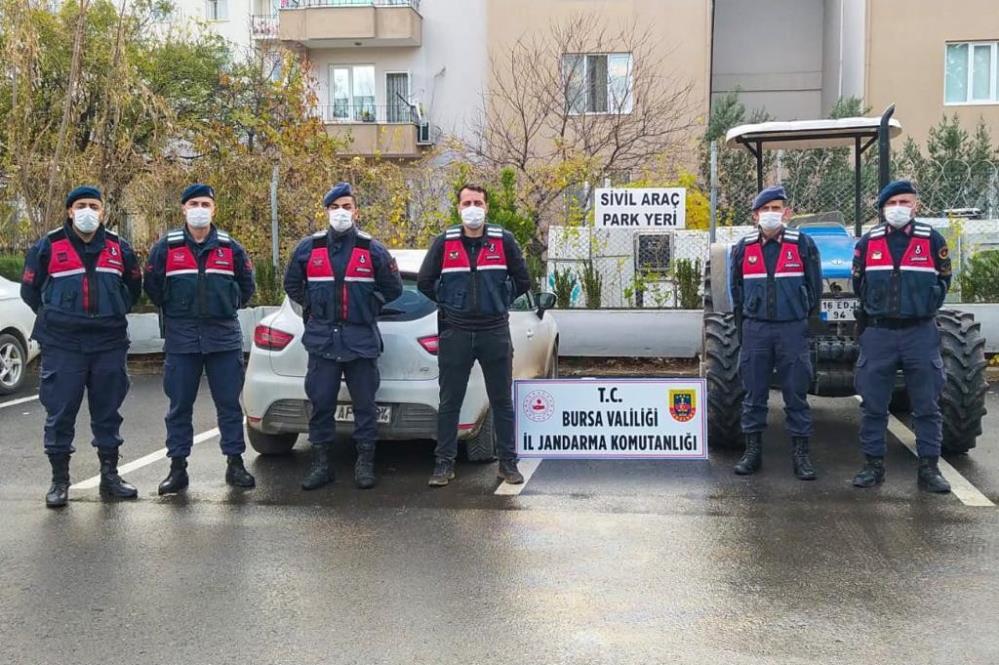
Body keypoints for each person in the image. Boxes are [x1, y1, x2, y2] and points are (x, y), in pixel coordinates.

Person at [21, 185, 143, 507]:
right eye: (81, 205)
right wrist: (58, 316)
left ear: (102, 212)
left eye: (94, 205)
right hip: (63, 343)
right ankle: (60, 482)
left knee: (108, 412)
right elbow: (30, 291)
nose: (87, 211)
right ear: (69, 211)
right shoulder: (48, 246)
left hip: (108, 341)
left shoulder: (119, 247)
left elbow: (133, 286)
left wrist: (110, 310)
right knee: (60, 413)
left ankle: (110, 477)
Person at [284, 182, 403, 491]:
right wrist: (312, 305)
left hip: (359, 339)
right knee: (321, 403)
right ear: (326, 212)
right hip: (323, 340)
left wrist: (369, 304)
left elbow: (394, 288)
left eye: (346, 207)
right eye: (335, 208)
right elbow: (292, 284)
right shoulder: (309, 248)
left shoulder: (371, 248)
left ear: (356, 212)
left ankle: (365, 464)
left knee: (365, 405)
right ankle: (322, 465)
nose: (341, 213)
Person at [143, 184, 257, 493]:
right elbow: (152, 286)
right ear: (183, 209)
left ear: (213, 209)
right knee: (179, 406)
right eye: (193, 203)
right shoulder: (166, 247)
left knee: (229, 406)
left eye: (205, 203)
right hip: (182, 337)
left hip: (222, 336)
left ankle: (235, 464)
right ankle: (177, 468)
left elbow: (247, 286)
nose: (199, 208)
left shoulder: (229, 247)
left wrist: (225, 304)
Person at [417, 184, 532, 487]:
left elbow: (523, 280)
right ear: (458, 208)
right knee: (449, 401)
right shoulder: (444, 242)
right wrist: (450, 302)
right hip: (456, 331)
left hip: (494, 331)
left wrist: (500, 298)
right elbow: (426, 282)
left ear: (486, 207)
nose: (472, 208)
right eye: (467, 202)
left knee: (502, 401)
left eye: (478, 202)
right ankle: (444, 465)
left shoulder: (503, 240)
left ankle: (508, 464)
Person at [851, 180, 951, 493]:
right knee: (874, 405)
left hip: (919, 332)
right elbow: (859, 284)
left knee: (926, 405)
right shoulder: (868, 242)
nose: (898, 209)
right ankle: (873, 467)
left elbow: (944, 279)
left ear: (916, 206)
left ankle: (929, 469)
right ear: (882, 208)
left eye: (905, 202)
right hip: (879, 332)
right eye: (893, 203)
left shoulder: (932, 240)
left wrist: (926, 304)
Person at [729, 185, 822, 479]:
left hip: (791, 329)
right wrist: (745, 327)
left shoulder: (803, 244)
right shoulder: (743, 248)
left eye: (776, 208)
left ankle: (801, 455)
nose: (771, 214)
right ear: (756, 215)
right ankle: (752, 451)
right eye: (765, 209)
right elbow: (736, 291)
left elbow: (815, 288)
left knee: (796, 394)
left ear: (787, 213)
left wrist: (802, 319)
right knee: (754, 394)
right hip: (756, 329)